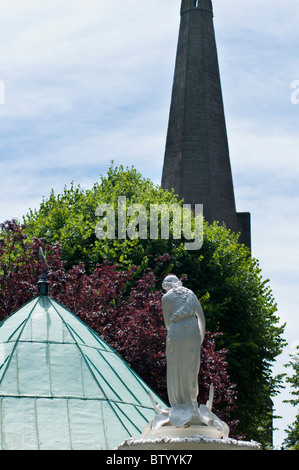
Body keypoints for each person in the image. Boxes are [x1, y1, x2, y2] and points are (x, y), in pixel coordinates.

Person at [162, 275, 206, 426]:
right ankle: (191, 401)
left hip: (176, 331)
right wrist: (200, 337)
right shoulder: (191, 293)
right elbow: (201, 317)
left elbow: (167, 323)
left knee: (176, 366)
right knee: (192, 367)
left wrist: (174, 333)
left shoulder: (166, 298)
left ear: (167, 286)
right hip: (193, 330)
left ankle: (178, 403)